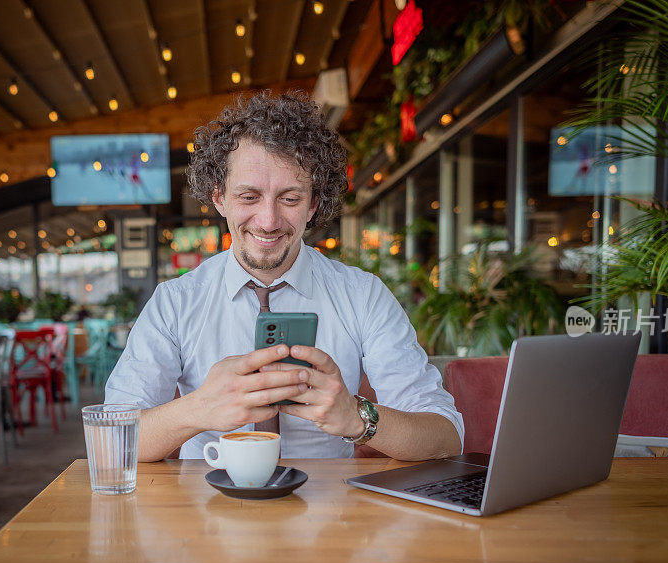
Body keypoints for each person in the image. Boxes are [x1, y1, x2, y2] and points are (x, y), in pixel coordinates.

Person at [105, 91, 464, 462]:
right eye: (248, 197)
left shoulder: (363, 295)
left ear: (313, 204)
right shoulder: (175, 302)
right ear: (219, 198)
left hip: (332, 514)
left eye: (290, 199)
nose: (268, 221)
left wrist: (357, 417)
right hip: (206, 510)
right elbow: (113, 442)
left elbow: (445, 436)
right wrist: (198, 408)